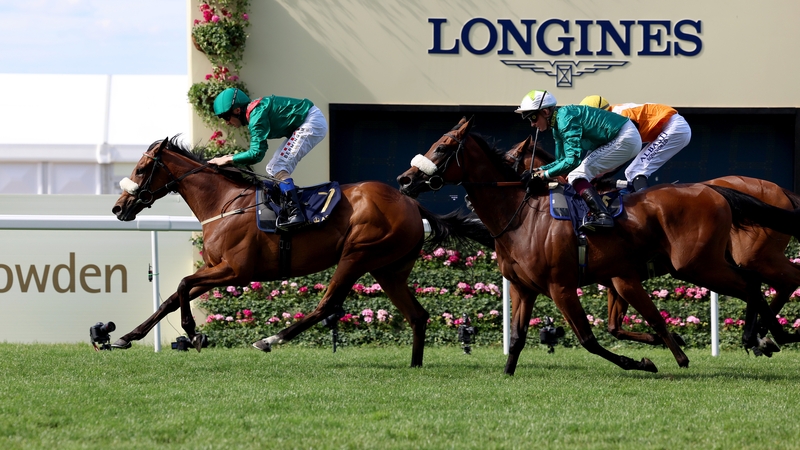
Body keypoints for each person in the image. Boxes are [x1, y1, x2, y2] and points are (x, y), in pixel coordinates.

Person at [515, 90, 642, 230]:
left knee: (576, 175)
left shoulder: (565, 119)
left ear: (545, 112)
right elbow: (562, 160)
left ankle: (603, 216)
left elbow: (572, 161)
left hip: (625, 137)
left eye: (532, 118)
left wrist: (544, 175)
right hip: (621, 137)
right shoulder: (557, 125)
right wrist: (539, 170)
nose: (532, 124)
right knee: (577, 175)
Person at [208, 87, 328, 229]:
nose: (227, 122)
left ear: (237, 111)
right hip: (309, 120)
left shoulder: (256, 117)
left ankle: (296, 212)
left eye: (226, 117)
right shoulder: (255, 112)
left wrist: (229, 159)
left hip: (311, 122)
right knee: (272, 167)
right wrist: (232, 157)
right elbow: (259, 151)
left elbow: (256, 154)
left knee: (278, 167)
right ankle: (290, 206)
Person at [579, 95, 692, 192]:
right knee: (631, 172)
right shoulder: (612, 116)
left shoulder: (618, 117)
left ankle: (647, 205)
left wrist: (601, 176)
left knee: (635, 171)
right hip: (672, 127)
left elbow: (626, 150)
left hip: (674, 127)